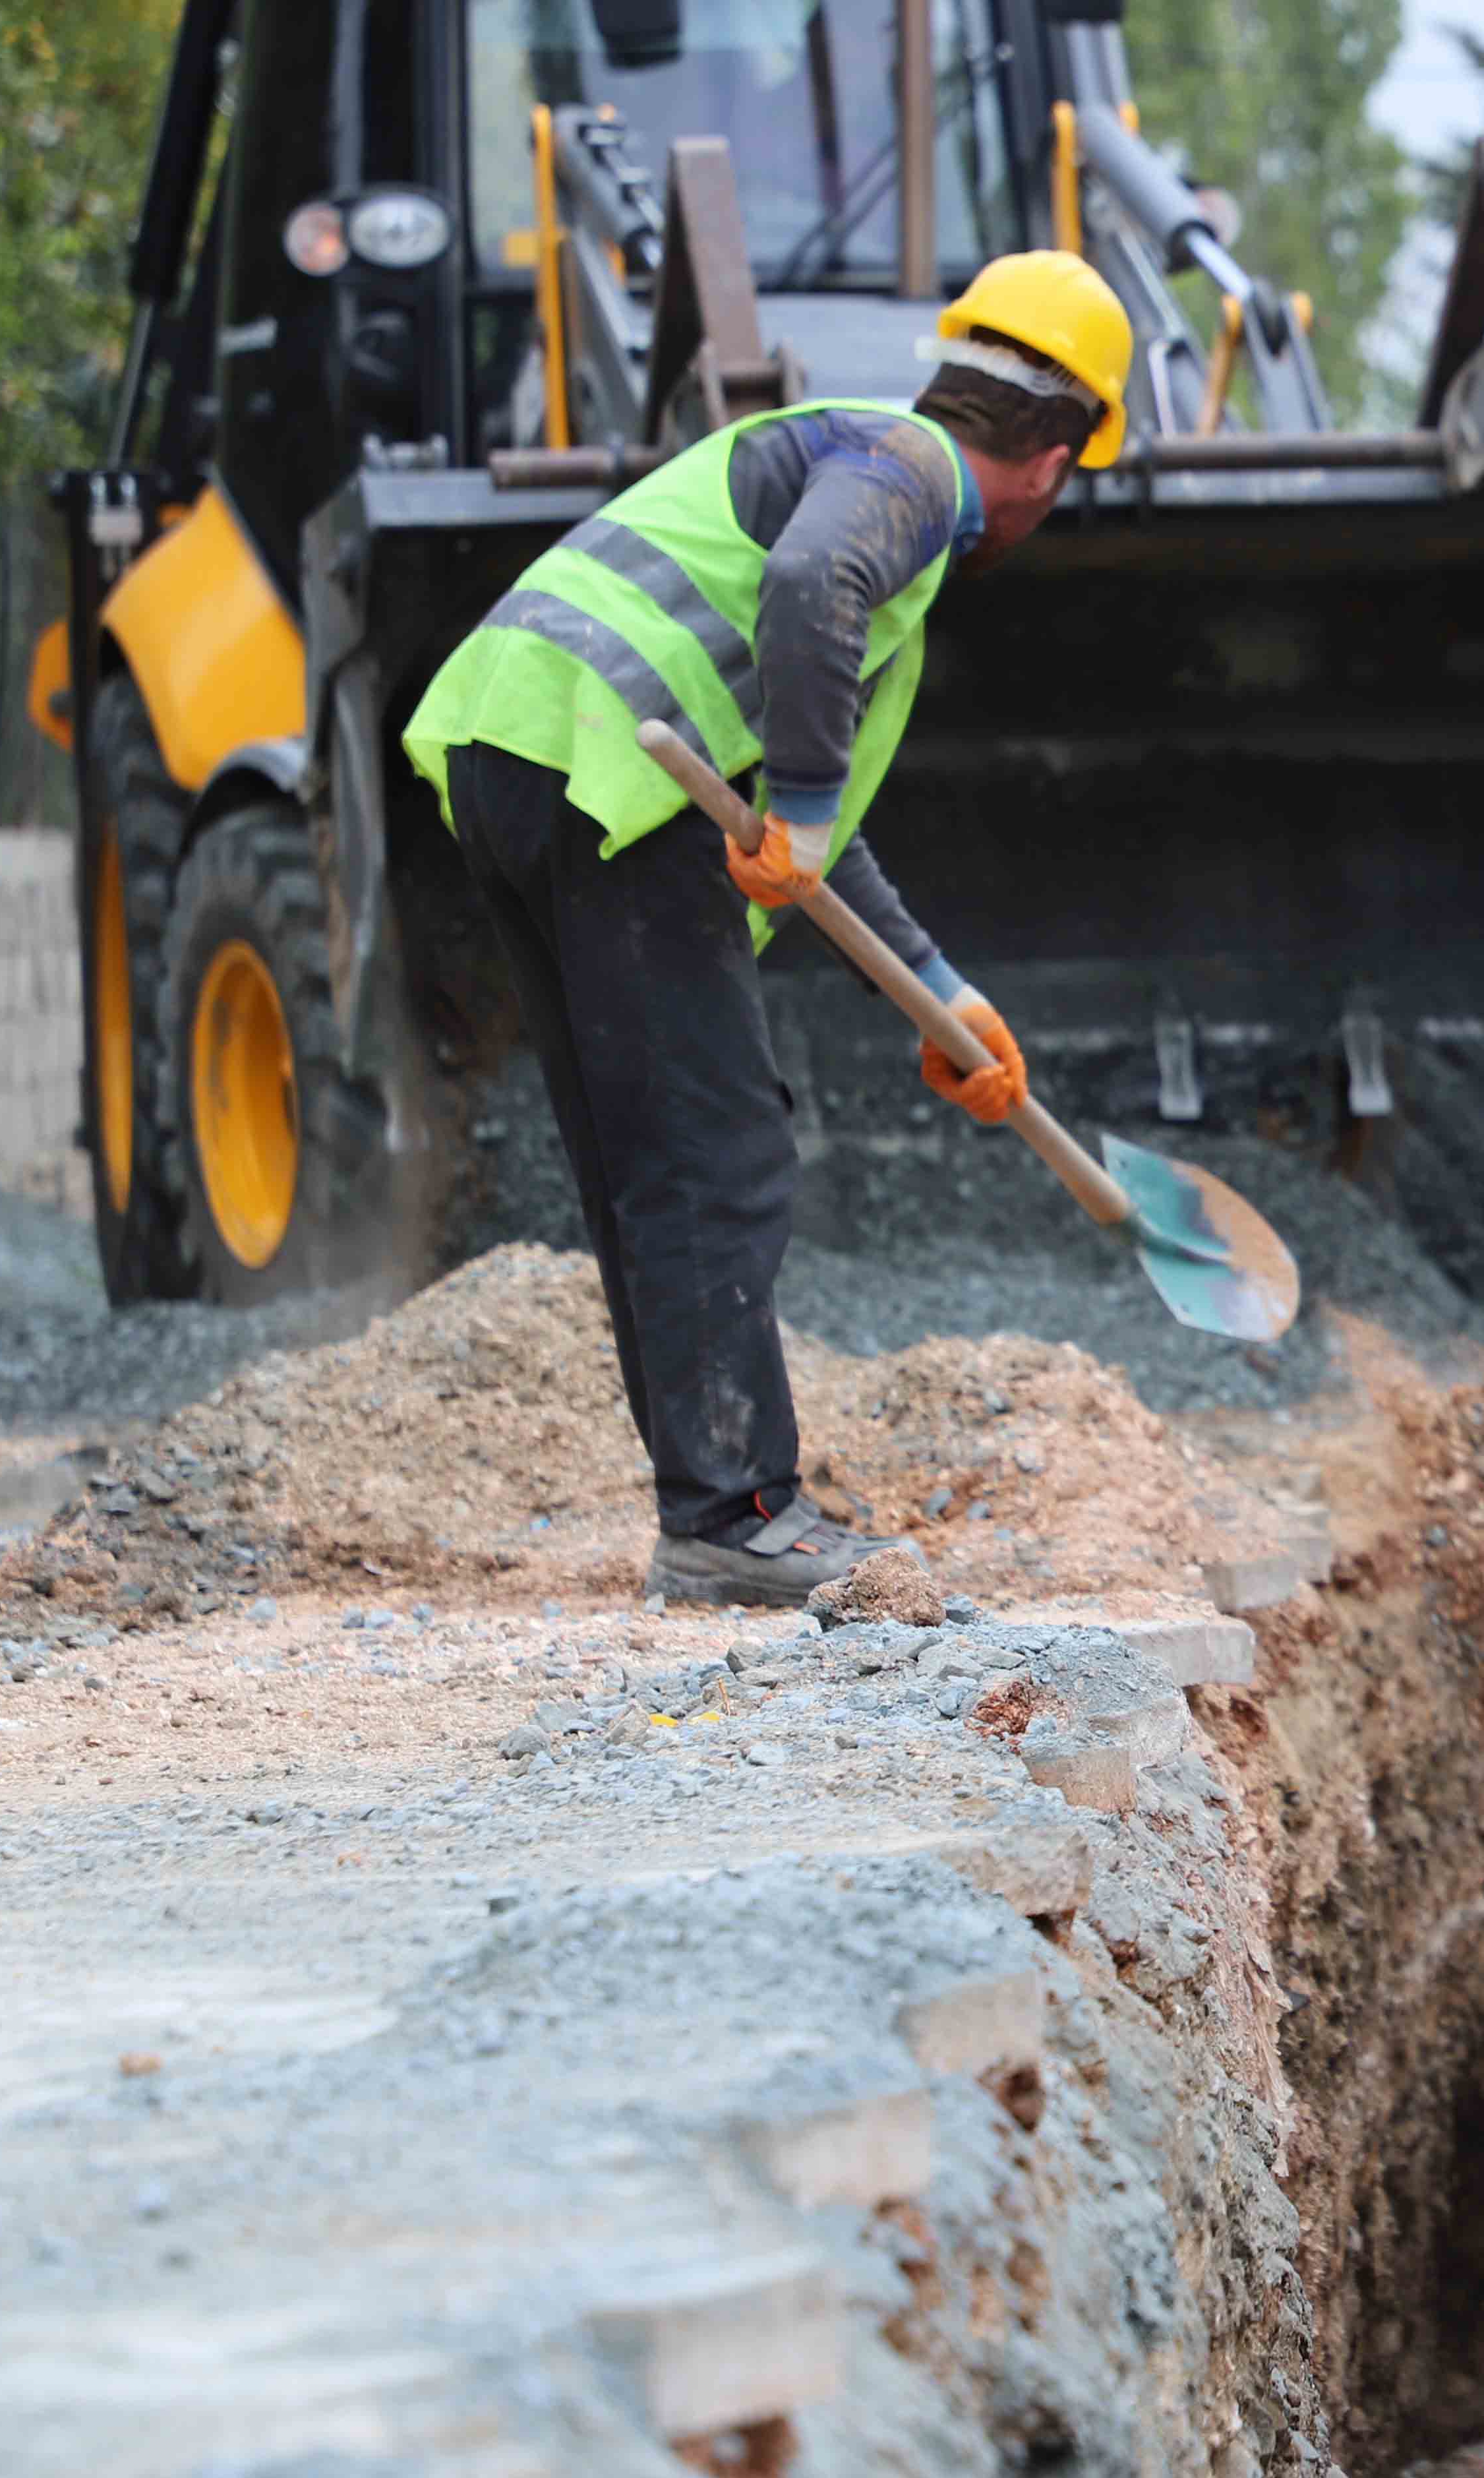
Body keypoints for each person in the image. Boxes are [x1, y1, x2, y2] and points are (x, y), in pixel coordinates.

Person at [401, 252, 1131, 1610]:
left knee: (649, 1156)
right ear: (1059, 448)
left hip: (522, 751)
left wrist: (936, 989)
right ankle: (737, 1517)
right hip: (618, 777)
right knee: (714, 1146)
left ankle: (713, 1504)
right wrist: (792, 803)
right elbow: (810, 596)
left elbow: (817, 828)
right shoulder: (906, 473)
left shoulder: (860, 466)